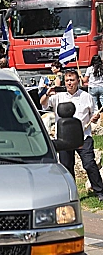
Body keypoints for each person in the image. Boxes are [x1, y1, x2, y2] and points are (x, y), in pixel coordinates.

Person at [40, 69, 103, 200]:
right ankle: (70, 194)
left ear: (77, 81)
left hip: (83, 137)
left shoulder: (87, 97)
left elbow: (95, 114)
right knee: (67, 167)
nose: (69, 83)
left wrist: (95, 118)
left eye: (72, 80)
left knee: (89, 164)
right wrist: (47, 94)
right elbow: (43, 104)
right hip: (64, 139)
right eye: (67, 80)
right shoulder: (58, 97)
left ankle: (99, 191)